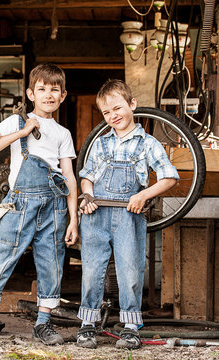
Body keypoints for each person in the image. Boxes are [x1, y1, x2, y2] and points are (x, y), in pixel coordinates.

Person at [0, 63, 79, 345]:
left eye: (54, 90)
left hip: (54, 206)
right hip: (20, 202)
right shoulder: (16, 122)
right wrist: (22, 132)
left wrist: (73, 219)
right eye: (41, 89)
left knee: (51, 261)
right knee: (3, 255)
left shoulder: (63, 134)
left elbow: (68, 176)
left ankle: (43, 323)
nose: (48, 95)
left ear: (63, 96)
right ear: (31, 93)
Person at [76, 79, 179, 350]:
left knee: (130, 271)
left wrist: (143, 195)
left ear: (132, 105)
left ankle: (130, 328)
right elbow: (86, 177)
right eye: (106, 113)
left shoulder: (148, 144)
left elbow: (170, 177)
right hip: (95, 215)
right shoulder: (100, 144)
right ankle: (88, 325)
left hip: (128, 216)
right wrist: (86, 195)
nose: (113, 116)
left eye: (118, 108)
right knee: (92, 271)